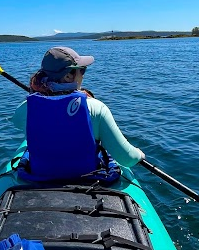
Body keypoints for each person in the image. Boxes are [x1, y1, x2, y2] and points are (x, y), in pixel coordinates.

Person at [10, 46, 145, 182]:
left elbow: (17, 121)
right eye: (82, 70)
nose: (83, 75)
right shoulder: (96, 108)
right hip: (89, 180)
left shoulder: (25, 109)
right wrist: (139, 154)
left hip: (39, 180)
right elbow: (126, 159)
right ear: (68, 76)